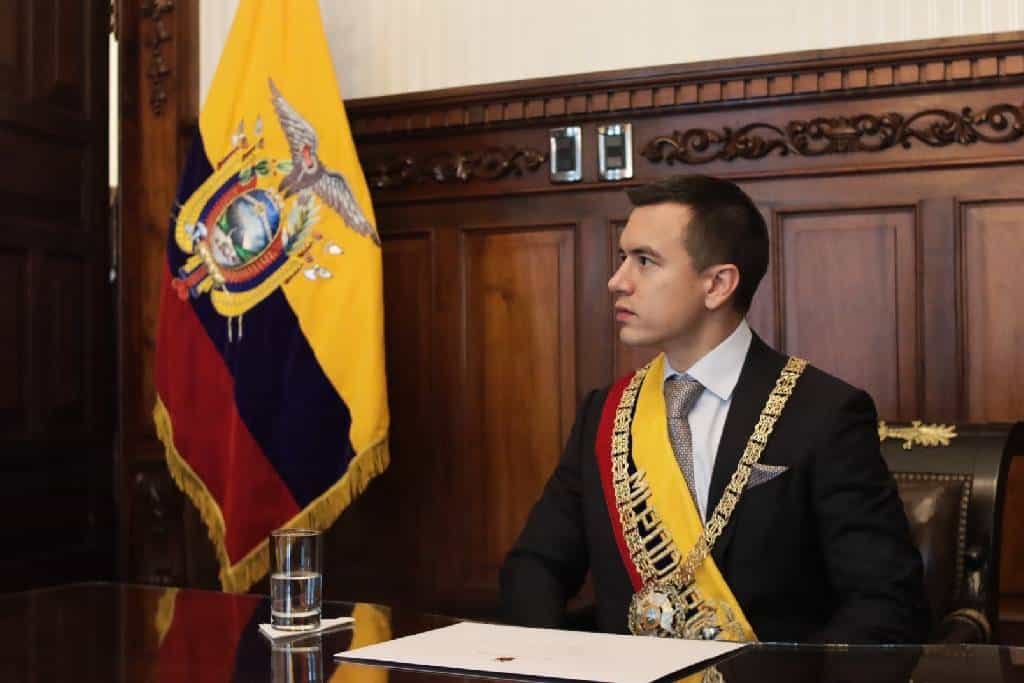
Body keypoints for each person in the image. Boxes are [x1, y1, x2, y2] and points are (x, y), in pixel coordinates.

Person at [500, 174, 930, 644]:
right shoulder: (604, 413)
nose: (617, 282)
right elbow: (535, 567)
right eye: (623, 258)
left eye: (644, 261)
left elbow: (885, 603)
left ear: (718, 284)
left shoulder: (824, 413)